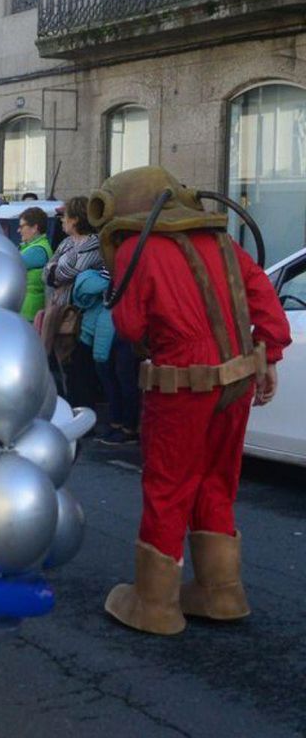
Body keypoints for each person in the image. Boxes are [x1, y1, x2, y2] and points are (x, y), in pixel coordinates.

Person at [92, 167, 291, 636]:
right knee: (217, 481)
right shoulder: (224, 244)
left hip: (180, 382)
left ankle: (155, 605)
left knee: (168, 484)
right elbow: (265, 303)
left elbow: (131, 328)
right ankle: (221, 592)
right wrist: (270, 358)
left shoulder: (135, 251)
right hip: (238, 374)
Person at [42, 197, 104, 407]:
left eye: (65, 216)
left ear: (76, 220)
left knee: (78, 365)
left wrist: (54, 272)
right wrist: (54, 272)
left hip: (78, 314)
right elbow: (47, 270)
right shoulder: (66, 242)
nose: (62, 221)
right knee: (59, 363)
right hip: (58, 310)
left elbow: (74, 271)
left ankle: (82, 409)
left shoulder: (94, 245)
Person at [71, 268, 139, 444]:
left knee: (123, 377)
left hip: (124, 320)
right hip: (108, 320)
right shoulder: (109, 261)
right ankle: (117, 423)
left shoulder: (131, 256)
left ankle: (128, 426)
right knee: (109, 374)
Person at [17, 206, 53, 323]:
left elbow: (10, 265)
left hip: (30, 311)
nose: (18, 230)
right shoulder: (33, 246)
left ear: (34, 228)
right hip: (27, 309)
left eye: (22, 226)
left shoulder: (37, 250)